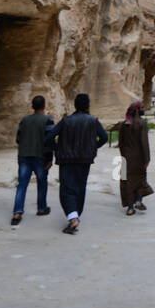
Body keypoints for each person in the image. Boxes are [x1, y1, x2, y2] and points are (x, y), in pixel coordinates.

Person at [48, 93, 108, 234]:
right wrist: (93, 147)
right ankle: (75, 214)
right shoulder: (93, 121)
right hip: (84, 160)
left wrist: (58, 149)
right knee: (80, 187)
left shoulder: (66, 121)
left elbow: (50, 138)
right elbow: (104, 138)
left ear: (75, 105)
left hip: (66, 160)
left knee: (66, 189)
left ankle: (73, 218)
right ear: (87, 105)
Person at [11, 95, 54, 226]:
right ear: (44, 106)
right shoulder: (48, 120)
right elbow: (49, 141)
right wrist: (49, 158)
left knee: (22, 184)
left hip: (24, 155)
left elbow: (18, 138)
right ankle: (41, 208)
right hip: (40, 156)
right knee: (42, 183)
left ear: (32, 106)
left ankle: (17, 213)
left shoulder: (25, 120)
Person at [114, 102, 153, 215]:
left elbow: (120, 143)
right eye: (141, 108)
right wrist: (147, 159)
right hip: (139, 158)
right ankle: (138, 201)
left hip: (126, 158)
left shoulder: (123, 124)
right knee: (140, 180)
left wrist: (123, 155)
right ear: (136, 110)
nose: (143, 110)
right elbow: (144, 143)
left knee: (127, 182)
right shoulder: (142, 123)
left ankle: (130, 207)